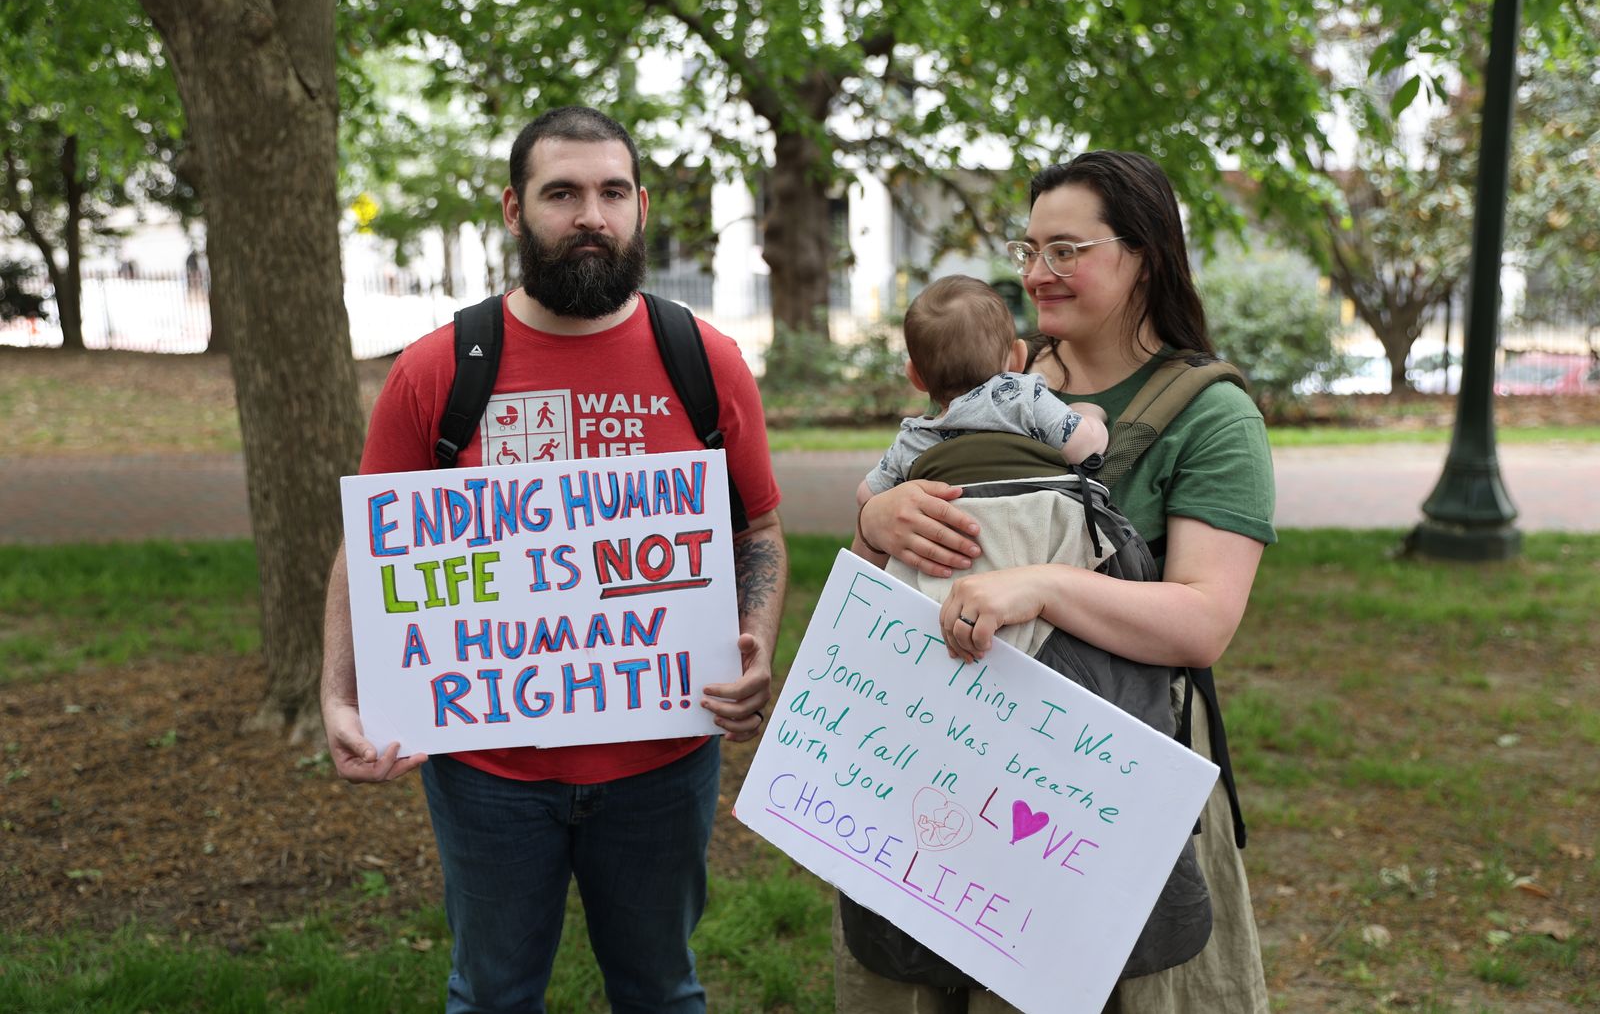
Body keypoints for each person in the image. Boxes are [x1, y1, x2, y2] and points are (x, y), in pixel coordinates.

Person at [319, 106, 787, 1014]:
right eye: (562, 193)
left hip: (663, 758)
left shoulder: (706, 360)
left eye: (613, 192)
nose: (591, 216)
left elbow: (757, 532)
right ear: (513, 209)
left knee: (661, 990)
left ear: (641, 206)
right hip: (488, 770)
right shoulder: (438, 370)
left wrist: (753, 637)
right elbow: (369, 546)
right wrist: (339, 692)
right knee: (491, 993)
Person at [847, 151, 1276, 1013]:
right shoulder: (984, 388)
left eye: (1066, 250)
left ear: (1143, 255)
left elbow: (1201, 622)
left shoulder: (1211, 415)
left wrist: (1040, 585)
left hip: (1097, 797)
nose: (1036, 273)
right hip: (934, 773)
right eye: (1029, 248)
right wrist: (874, 522)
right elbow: (877, 584)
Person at [857, 274, 1109, 506]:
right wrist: (1090, 415)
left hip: (954, 549)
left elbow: (866, 496)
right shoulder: (1024, 399)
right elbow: (1085, 447)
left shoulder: (912, 441)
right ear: (1018, 358)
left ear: (915, 377)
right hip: (1039, 541)